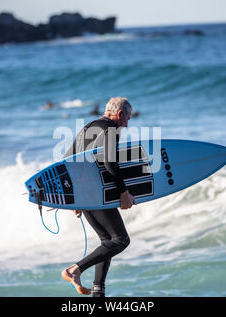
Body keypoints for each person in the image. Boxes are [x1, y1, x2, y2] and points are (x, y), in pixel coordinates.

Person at [61, 97, 136, 297]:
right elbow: (111, 161)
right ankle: (74, 270)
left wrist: (74, 197)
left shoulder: (89, 127)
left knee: (107, 241)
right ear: (120, 115)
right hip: (94, 193)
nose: (127, 124)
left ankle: (98, 292)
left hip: (84, 193)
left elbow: (67, 160)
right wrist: (123, 191)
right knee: (120, 240)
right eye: (127, 118)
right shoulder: (111, 129)